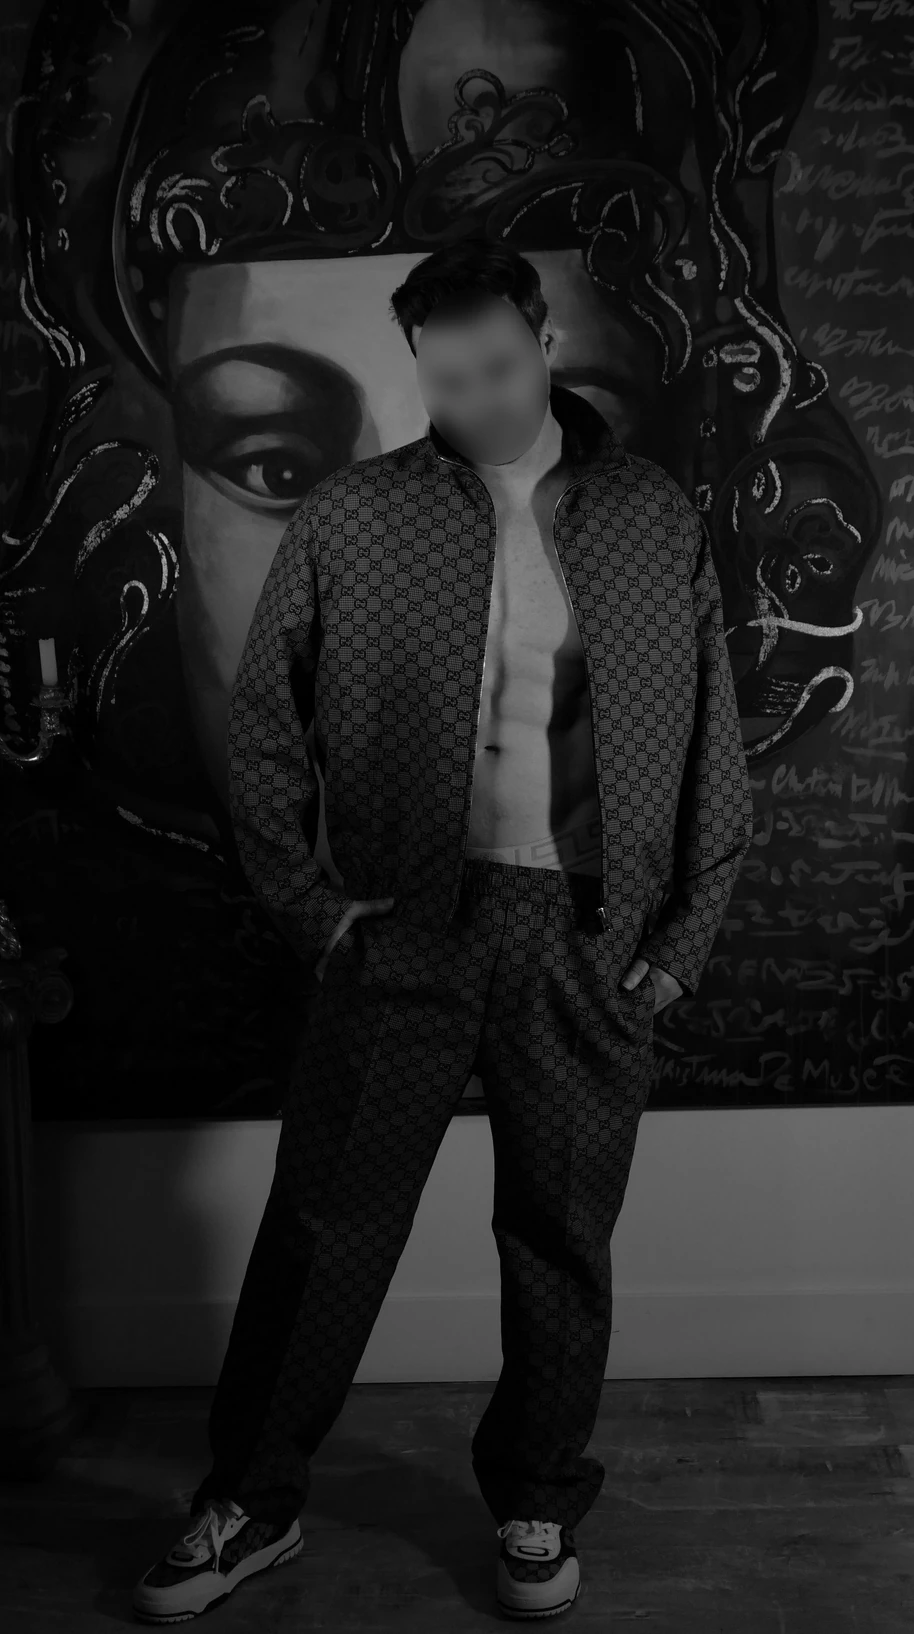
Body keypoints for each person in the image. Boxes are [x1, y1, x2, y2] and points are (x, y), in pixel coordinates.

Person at [131, 236, 753, 1623]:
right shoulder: (357, 513)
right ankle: (250, 1501)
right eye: (444, 378)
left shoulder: (649, 514)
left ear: (541, 340)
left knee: (560, 1236)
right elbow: (264, 719)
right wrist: (310, 905)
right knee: (324, 1226)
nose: (473, 400)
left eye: (496, 368)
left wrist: (683, 937)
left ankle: (536, 1496)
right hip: (401, 924)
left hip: (587, 929)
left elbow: (715, 735)